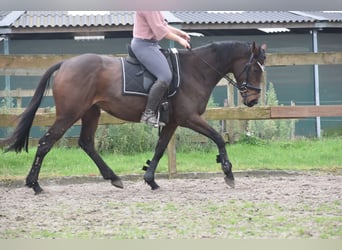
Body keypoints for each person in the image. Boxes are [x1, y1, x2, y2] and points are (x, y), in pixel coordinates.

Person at [131, 11, 191, 127]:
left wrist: (180, 33)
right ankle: (148, 113)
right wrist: (179, 39)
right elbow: (159, 30)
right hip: (144, 45)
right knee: (165, 77)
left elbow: (163, 25)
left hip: (152, 44)